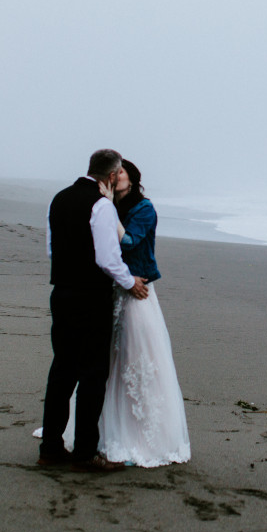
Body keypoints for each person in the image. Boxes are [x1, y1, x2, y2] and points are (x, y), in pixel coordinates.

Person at [37, 148, 148, 470]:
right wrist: (130, 283)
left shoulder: (58, 198)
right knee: (93, 375)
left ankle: (50, 449)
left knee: (62, 372)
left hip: (61, 293)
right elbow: (107, 259)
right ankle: (85, 453)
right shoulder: (101, 206)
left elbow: (50, 250)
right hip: (91, 298)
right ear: (112, 176)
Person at [96, 159, 191, 467]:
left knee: (138, 361)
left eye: (121, 173)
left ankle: (143, 434)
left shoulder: (144, 209)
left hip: (138, 293)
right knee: (110, 360)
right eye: (114, 173)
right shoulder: (111, 208)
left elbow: (128, 241)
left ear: (132, 179)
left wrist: (109, 209)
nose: (116, 177)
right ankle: (102, 428)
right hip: (115, 290)